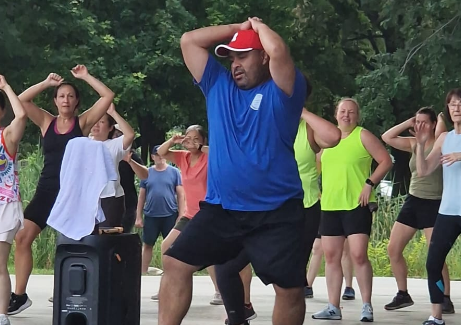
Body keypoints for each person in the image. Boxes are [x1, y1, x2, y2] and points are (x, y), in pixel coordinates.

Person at [159, 17, 308, 325]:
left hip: (276, 212)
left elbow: (280, 51)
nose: (235, 64)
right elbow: (189, 40)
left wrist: (259, 26)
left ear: (263, 56)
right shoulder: (218, 85)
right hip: (223, 209)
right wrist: (238, 28)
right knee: (174, 262)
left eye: (243, 56)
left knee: (289, 290)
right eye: (231, 57)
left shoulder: (284, 91)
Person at [9, 66, 114, 315]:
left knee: (76, 245)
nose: (65, 99)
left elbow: (108, 97)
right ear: (55, 101)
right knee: (22, 238)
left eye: (70, 96)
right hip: (47, 190)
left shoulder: (84, 122)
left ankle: (81, 294)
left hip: (73, 193)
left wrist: (86, 76)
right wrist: (46, 83)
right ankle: (20, 295)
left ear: (77, 101)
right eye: (61, 96)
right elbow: (22, 100)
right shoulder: (47, 121)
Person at [312, 98, 392, 322]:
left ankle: (366, 305)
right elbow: (313, 167)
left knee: (358, 255)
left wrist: (370, 183)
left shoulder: (362, 135)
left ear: (357, 116)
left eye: (351, 112)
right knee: (331, 257)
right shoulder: (326, 140)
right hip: (330, 205)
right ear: (336, 114)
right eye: (343, 111)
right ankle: (333, 307)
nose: (346, 115)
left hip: (357, 205)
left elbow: (386, 161)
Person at [381, 107, 454, 313]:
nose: (420, 125)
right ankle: (403, 293)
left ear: (433, 125)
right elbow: (387, 137)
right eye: (418, 122)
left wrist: (440, 119)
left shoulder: (442, 141)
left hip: (434, 202)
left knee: (435, 254)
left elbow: (444, 130)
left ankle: (445, 298)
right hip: (413, 201)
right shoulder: (414, 143)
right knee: (393, 249)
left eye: (424, 122)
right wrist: (409, 121)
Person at [155, 125, 227, 305]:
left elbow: (221, 152)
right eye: (189, 138)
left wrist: (200, 147)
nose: (192, 141)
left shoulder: (208, 157)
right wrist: (174, 140)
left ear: (203, 141)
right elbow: (161, 152)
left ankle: (219, 292)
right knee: (166, 246)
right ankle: (169, 284)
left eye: (196, 138)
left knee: (209, 254)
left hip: (207, 213)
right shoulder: (182, 157)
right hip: (189, 214)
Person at [415, 89, 461, 325]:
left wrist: (460, 155)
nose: (457, 108)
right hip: (448, 211)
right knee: (433, 263)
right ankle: (436, 316)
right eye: (452, 104)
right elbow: (423, 171)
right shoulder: (444, 138)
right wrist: (421, 145)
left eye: (460, 104)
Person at [0, 76, 28, 325]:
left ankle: (2, 315)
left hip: (4, 203)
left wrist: (7, 87)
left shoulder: (6, 137)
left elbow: (20, 116)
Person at [90, 103, 145, 227]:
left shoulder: (114, 145)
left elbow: (130, 135)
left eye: (102, 122)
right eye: (95, 120)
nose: (96, 124)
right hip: (90, 198)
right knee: (88, 238)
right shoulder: (83, 143)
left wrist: (113, 113)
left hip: (111, 198)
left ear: (110, 128)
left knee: (108, 238)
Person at [135, 145, 185, 276]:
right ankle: (142, 272)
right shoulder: (147, 172)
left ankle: (170, 272)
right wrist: (138, 217)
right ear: (152, 157)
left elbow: (181, 194)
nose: (160, 157)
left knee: (170, 245)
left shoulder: (174, 172)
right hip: (151, 214)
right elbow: (141, 196)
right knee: (147, 244)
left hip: (170, 213)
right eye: (157, 154)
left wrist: (181, 214)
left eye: (162, 154)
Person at [112, 125, 147, 233]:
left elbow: (144, 175)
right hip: (108, 202)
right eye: (114, 134)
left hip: (127, 203)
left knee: (123, 236)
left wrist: (130, 161)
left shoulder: (131, 154)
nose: (116, 137)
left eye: (119, 135)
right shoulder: (104, 150)